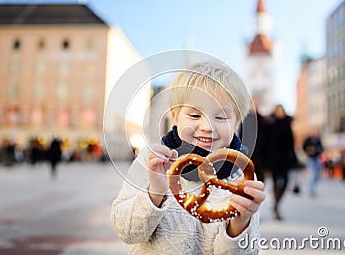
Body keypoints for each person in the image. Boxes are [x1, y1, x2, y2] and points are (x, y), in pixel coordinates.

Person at [111, 62, 265, 254]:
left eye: (221, 117)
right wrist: (156, 192)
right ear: (175, 117)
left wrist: (240, 223)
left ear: (236, 125)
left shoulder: (241, 179)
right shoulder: (151, 161)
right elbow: (126, 232)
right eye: (194, 115)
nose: (207, 126)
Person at [266, 104, 296, 220]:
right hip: (273, 158)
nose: (280, 113)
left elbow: (291, 142)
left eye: (282, 111)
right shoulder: (271, 124)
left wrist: (293, 158)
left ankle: (276, 204)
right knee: (275, 182)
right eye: (278, 111)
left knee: (285, 182)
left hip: (285, 158)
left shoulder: (287, 124)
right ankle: (276, 208)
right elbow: (267, 142)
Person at [240, 97, 268, 182]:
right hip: (247, 152)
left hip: (260, 153)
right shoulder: (245, 119)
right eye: (253, 103)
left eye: (257, 103)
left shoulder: (263, 120)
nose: (255, 106)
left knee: (260, 177)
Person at [303, 127, 324, 196]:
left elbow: (321, 148)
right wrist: (308, 151)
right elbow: (304, 147)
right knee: (313, 174)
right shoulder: (308, 139)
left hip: (317, 158)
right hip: (311, 158)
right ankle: (311, 189)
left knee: (316, 174)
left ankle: (313, 188)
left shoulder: (318, 140)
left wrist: (317, 151)